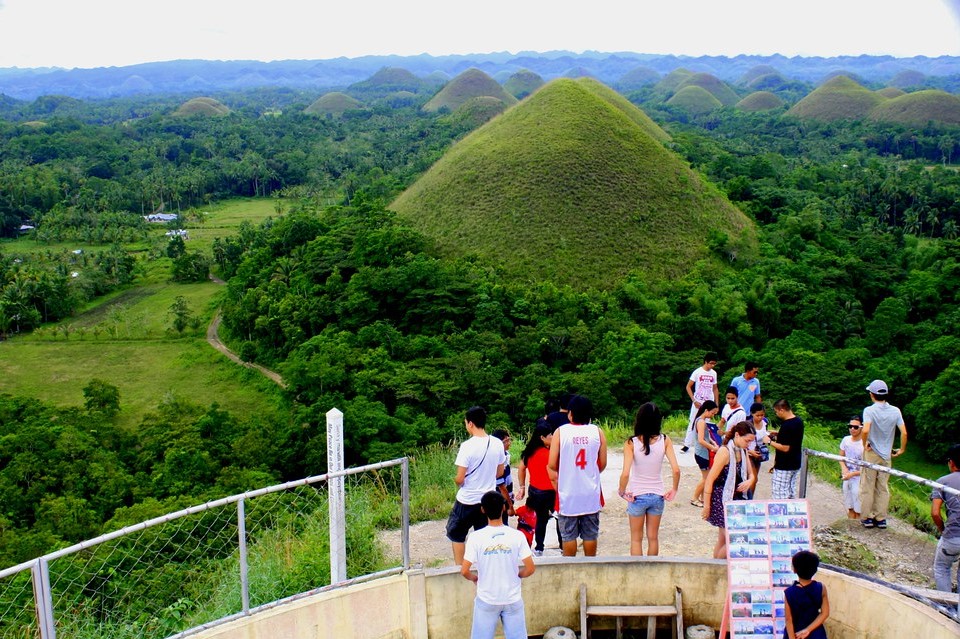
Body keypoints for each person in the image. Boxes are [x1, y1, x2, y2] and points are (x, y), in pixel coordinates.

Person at [461, 490, 536, 639]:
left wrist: (475, 578)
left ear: (482, 510)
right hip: (512, 598)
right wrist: (518, 575)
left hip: (487, 598)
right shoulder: (517, 536)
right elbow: (531, 568)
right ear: (503, 508)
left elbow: (464, 571)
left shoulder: (476, 538)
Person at [548, 394, 607, 557]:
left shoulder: (561, 432)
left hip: (568, 492)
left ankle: (570, 568)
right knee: (590, 534)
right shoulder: (597, 432)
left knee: (568, 535)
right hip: (590, 492)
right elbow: (602, 463)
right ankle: (590, 566)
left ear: (570, 413)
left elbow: (552, 464)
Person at [618, 402, 681, 556]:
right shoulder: (665, 440)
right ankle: (652, 571)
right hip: (657, 495)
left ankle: (638, 573)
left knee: (636, 539)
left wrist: (621, 491)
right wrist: (674, 489)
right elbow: (676, 469)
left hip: (638, 496)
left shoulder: (631, 442)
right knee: (653, 538)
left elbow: (625, 473)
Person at [446, 406, 506, 565]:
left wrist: (458, 480)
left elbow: (460, 478)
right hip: (488, 500)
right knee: (484, 535)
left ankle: (460, 568)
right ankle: (484, 566)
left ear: (470, 423)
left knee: (457, 534)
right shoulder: (497, 443)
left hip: (467, 500)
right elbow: (500, 472)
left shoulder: (467, 446)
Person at [702, 422, 757, 558]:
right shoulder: (725, 451)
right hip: (723, 498)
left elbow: (752, 474)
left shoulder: (743, 451)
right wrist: (707, 505)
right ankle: (718, 565)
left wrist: (749, 481)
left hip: (737, 498)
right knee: (733, 539)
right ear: (737, 435)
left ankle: (716, 565)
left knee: (723, 538)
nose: (748, 444)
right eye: (747, 440)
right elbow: (710, 479)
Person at [859, 380, 907, 530]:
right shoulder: (895, 410)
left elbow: (865, 430)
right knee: (882, 486)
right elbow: (904, 432)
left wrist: (864, 443)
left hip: (872, 452)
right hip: (886, 454)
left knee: (868, 485)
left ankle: (867, 517)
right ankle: (880, 518)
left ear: (872, 395)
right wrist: (902, 449)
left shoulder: (869, 410)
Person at [516, 421, 560, 556]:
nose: (552, 437)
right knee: (560, 518)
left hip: (535, 491)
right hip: (551, 491)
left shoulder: (529, 452)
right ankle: (564, 544)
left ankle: (539, 547)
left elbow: (521, 469)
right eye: (550, 435)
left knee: (541, 519)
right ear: (542, 438)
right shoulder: (550, 454)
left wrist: (522, 486)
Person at [931, 443, 960, 614]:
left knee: (942, 567)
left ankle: (947, 609)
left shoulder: (943, 482)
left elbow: (935, 513)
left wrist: (943, 530)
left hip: (953, 536)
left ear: (951, 462)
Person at [763, 399, 804, 500]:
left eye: (776, 411)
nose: (776, 414)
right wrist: (778, 434)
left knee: (780, 493)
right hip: (796, 463)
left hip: (784, 465)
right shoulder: (798, 421)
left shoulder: (787, 425)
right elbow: (791, 439)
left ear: (781, 410)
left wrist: (769, 442)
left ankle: (780, 514)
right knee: (790, 491)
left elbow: (785, 448)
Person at [783, 550, 830, 639]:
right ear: (815, 570)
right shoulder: (821, 588)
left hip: (795, 633)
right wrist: (808, 630)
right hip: (816, 633)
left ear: (794, 570)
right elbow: (825, 613)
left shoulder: (789, 592)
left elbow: (789, 620)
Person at [682, 352, 720, 453]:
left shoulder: (714, 373)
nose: (712, 365)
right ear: (706, 362)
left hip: (709, 402)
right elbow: (688, 386)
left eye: (714, 364)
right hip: (698, 401)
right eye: (711, 363)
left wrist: (716, 403)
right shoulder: (697, 372)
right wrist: (694, 400)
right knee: (693, 422)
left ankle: (706, 443)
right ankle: (687, 444)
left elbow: (715, 388)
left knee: (706, 424)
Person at [690, 400, 721, 508]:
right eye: (712, 413)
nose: (712, 415)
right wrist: (714, 448)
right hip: (702, 454)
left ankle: (703, 498)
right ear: (706, 410)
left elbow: (706, 438)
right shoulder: (701, 422)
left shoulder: (701, 420)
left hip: (704, 453)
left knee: (706, 477)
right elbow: (701, 440)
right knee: (706, 478)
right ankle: (694, 498)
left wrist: (713, 443)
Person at [839, 416, 865, 520]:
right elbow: (840, 457)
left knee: (858, 509)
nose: (852, 429)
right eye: (850, 426)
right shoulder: (846, 440)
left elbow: (867, 467)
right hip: (847, 475)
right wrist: (843, 468)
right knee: (849, 507)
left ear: (861, 427)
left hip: (859, 477)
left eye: (855, 427)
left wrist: (853, 474)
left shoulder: (865, 444)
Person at [745, 402, 770, 500]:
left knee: (753, 480)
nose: (760, 417)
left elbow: (764, 435)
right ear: (752, 414)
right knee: (753, 478)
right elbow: (742, 441)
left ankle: (750, 498)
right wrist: (750, 452)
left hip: (759, 454)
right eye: (757, 415)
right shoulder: (748, 424)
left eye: (762, 415)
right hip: (749, 453)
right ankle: (748, 500)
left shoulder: (765, 423)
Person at [492, 428, 515, 524]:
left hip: (505, 496)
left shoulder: (506, 455)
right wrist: (510, 505)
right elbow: (501, 486)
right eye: (507, 440)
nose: (509, 442)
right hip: (499, 498)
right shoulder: (497, 459)